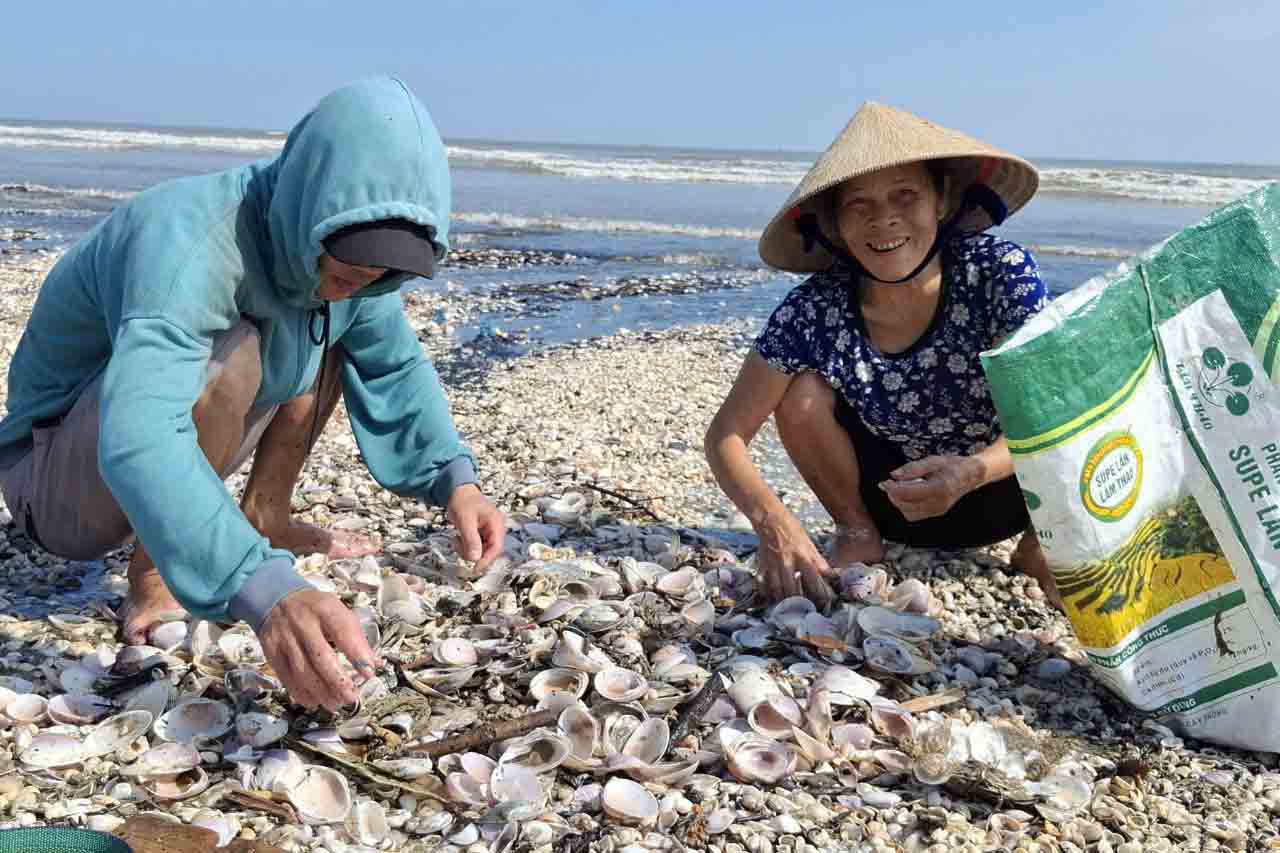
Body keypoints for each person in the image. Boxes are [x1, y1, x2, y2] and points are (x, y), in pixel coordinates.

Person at [0, 77, 506, 711]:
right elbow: (141, 431)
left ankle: (264, 512)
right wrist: (259, 586)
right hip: (53, 484)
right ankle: (154, 570)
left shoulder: (354, 270)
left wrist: (455, 479)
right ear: (308, 201)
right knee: (233, 353)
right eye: (352, 254)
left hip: (141, 440)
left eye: (389, 265)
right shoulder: (187, 239)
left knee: (331, 319)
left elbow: (394, 365)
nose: (369, 274)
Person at [704, 102, 1057, 610]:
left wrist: (971, 470)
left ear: (941, 200)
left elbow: (1055, 408)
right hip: (890, 504)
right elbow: (726, 436)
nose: (884, 218)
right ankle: (856, 531)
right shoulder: (814, 308)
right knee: (801, 391)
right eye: (859, 205)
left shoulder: (998, 273)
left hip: (1005, 491)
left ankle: (1042, 547)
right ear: (836, 225)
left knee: (1080, 379)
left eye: (905, 195)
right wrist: (775, 525)